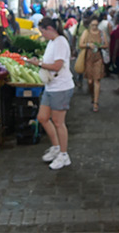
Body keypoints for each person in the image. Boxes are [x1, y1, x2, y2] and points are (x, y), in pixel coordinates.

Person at [25, 17, 74, 170]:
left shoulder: (60, 42)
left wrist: (37, 63)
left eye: (43, 32)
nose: (42, 35)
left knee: (59, 122)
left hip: (61, 87)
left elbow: (57, 66)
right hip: (51, 86)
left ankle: (64, 155)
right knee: (42, 117)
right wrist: (39, 61)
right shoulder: (52, 43)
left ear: (50, 29)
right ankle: (56, 147)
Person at [79, 16, 106, 112]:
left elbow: (106, 44)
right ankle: (93, 96)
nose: (94, 27)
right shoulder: (86, 33)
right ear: (90, 25)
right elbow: (80, 44)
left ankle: (96, 103)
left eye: (96, 25)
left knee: (97, 80)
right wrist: (88, 45)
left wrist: (100, 46)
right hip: (88, 58)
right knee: (90, 81)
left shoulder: (101, 33)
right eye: (93, 25)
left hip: (98, 58)